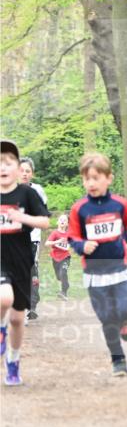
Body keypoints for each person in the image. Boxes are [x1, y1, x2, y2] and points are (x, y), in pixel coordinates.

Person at [68, 152, 127, 377]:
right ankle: (118, 360)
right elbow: (72, 236)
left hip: (118, 268)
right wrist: (82, 245)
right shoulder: (80, 209)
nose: (91, 183)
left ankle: (126, 322)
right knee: (106, 318)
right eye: (86, 178)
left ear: (108, 178)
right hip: (93, 273)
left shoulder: (119, 204)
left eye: (96, 178)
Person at [0, 140, 49, 385]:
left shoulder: (27, 193)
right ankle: (0, 329)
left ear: (19, 169)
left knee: (18, 319)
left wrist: (22, 217)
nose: (3, 167)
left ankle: (13, 359)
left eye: (8, 162)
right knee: (3, 298)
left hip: (21, 260)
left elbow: (44, 222)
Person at [19, 156, 49, 319]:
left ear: (32, 173)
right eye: (21, 171)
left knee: (31, 270)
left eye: (27, 171)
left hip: (32, 239)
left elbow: (44, 213)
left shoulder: (37, 190)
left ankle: (31, 305)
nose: (24, 174)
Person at [45, 214, 71, 299]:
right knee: (59, 276)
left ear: (67, 224)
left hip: (66, 257)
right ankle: (65, 285)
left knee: (63, 272)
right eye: (61, 219)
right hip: (55, 258)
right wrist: (57, 241)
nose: (62, 221)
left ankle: (63, 292)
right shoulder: (55, 233)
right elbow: (47, 243)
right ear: (57, 222)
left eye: (65, 220)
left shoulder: (69, 234)